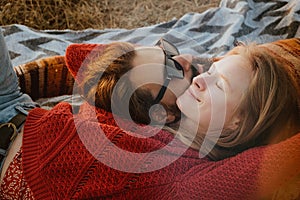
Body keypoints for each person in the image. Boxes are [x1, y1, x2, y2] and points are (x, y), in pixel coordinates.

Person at [0, 25, 299, 199]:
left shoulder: (193, 180)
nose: (197, 74)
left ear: (237, 124)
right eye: (169, 57)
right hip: (15, 104)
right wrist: (226, 68)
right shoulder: (161, 111)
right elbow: (79, 58)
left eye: (217, 83)